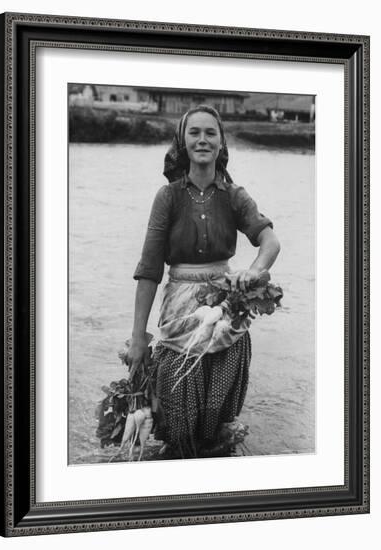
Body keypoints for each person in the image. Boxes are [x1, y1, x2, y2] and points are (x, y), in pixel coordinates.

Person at [126, 105, 280, 459]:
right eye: (194, 132)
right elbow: (149, 270)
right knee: (177, 412)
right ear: (182, 141)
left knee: (216, 417)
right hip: (180, 314)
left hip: (226, 311)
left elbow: (270, 243)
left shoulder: (235, 196)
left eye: (210, 132)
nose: (202, 140)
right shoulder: (168, 198)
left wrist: (253, 272)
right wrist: (138, 338)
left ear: (222, 141)